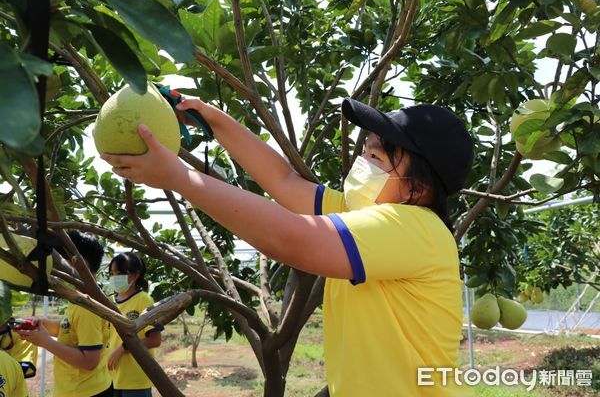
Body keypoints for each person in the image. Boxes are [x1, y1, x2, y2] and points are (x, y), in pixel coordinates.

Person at [101, 96, 475, 396]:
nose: (363, 162)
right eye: (365, 150)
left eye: (376, 157)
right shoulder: (358, 211)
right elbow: (282, 180)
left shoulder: (415, 228)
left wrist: (179, 177)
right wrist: (214, 120)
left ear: (418, 188)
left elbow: (291, 237)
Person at [17, 230, 113, 397]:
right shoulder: (81, 297)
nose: (55, 267)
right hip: (85, 389)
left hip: (84, 392)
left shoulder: (86, 306)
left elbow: (90, 361)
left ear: (79, 263)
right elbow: (73, 332)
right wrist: (45, 323)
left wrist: (46, 342)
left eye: (61, 260)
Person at [107, 252, 162, 397]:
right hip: (110, 378)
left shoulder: (144, 300)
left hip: (136, 379)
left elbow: (155, 340)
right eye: (111, 274)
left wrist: (123, 348)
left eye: (119, 273)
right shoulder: (109, 301)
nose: (114, 278)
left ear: (135, 274)